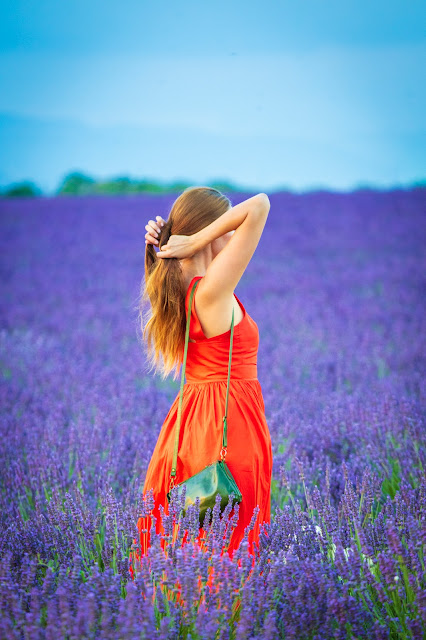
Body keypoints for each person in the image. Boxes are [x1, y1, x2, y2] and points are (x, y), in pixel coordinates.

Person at [130, 187, 273, 579]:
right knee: (230, 546)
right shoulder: (210, 294)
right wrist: (196, 240)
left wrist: (184, 244)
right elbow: (259, 205)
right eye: (225, 225)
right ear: (210, 232)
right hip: (228, 425)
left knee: (191, 544)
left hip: (190, 427)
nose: (232, 233)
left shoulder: (185, 293)